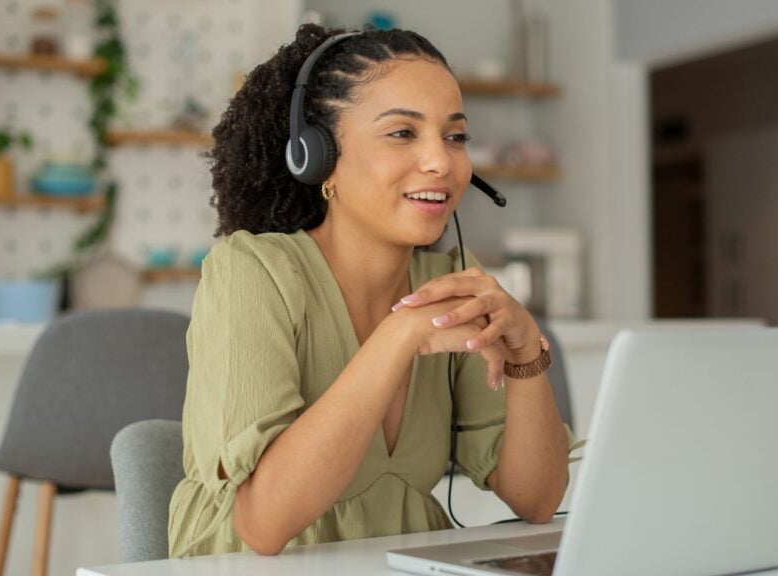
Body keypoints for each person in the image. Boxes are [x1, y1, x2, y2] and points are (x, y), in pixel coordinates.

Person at [168, 24, 578, 558]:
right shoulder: (252, 272)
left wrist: (527, 355)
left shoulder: (450, 280)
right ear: (317, 156)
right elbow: (265, 523)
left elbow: (536, 499)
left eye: (455, 137)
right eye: (403, 133)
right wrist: (399, 335)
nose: (441, 162)